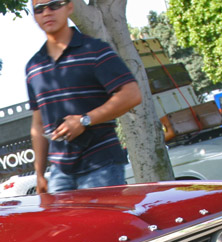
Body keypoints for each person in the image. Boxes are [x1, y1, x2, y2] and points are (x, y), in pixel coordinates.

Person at [26, 0, 141, 193]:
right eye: (39, 9)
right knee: (65, 225)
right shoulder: (33, 68)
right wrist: (39, 174)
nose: (46, 12)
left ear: (69, 7)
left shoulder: (95, 50)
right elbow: (38, 125)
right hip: (59, 173)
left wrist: (84, 120)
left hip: (101, 164)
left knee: (104, 224)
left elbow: (132, 94)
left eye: (54, 5)